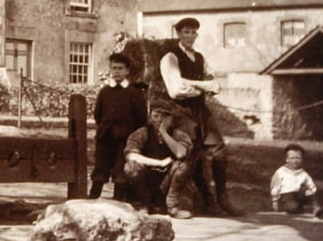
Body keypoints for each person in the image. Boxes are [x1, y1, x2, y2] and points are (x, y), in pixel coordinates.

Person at [159, 17, 240, 216]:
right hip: (181, 112)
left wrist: (197, 85)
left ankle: (222, 197)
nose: (190, 36)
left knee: (219, 150)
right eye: (186, 31)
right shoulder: (170, 57)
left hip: (201, 111)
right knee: (189, 156)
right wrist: (204, 87)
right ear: (178, 33)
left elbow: (216, 84)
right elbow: (176, 90)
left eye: (194, 32)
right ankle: (184, 202)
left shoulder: (200, 58)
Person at [89, 53, 148, 202]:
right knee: (101, 164)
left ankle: (118, 198)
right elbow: (98, 114)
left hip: (125, 137)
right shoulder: (104, 92)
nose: (116, 72)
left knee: (120, 166)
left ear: (127, 71)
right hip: (105, 135)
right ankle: (93, 195)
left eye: (120, 68)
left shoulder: (134, 93)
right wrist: (105, 128)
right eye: (114, 68)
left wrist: (130, 134)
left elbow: (141, 118)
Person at [124, 99, 196, 217]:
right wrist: (159, 163)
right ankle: (144, 204)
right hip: (147, 179)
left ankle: (172, 206)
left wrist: (163, 132)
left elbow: (181, 154)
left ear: (171, 119)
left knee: (184, 164)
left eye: (164, 117)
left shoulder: (178, 134)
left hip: (168, 181)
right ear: (150, 116)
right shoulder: (142, 133)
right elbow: (131, 155)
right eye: (156, 116)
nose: (159, 120)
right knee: (130, 167)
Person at [270, 144, 318, 214]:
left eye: (298, 158)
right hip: (286, 196)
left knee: (305, 189)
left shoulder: (303, 173)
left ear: (302, 159)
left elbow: (311, 185)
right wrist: (275, 200)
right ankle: (289, 206)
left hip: (299, 195)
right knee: (293, 208)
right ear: (287, 159)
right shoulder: (281, 171)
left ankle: (316, 207)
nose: (295, 161)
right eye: (292, 158)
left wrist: (312, 192)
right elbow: (275, 186)